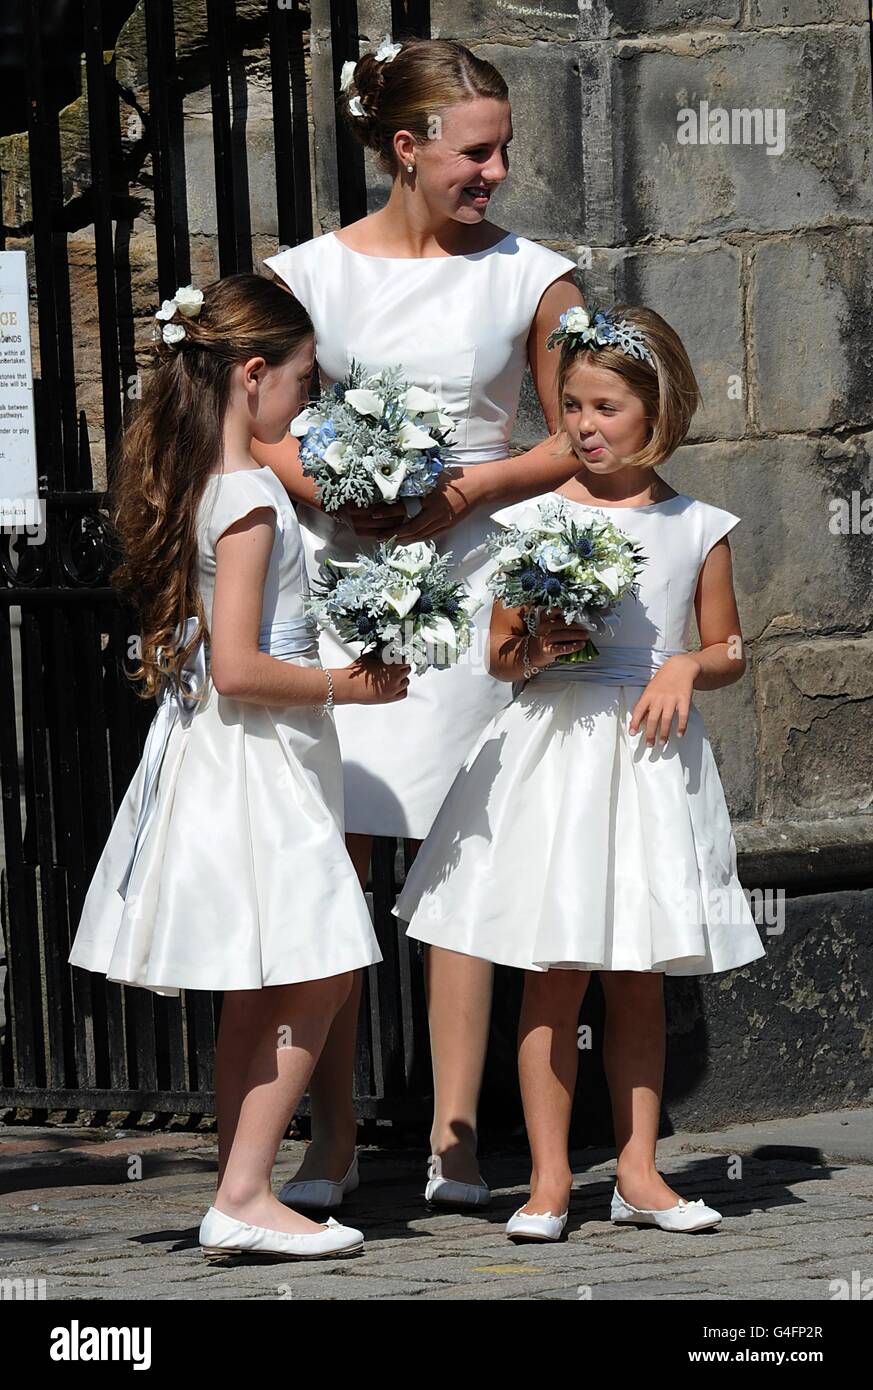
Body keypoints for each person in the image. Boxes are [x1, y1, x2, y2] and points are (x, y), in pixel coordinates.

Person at [254, 34, 588, 1206]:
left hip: (477, 590)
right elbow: (257, 424)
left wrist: (465, 490)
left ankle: (456, 1139)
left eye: (503, 151)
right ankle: (333, 1138)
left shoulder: (536, 277)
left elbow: (583, 431)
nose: (496, 173)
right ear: (406, 147)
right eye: (476, 151)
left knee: (467, 865)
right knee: (334, 865)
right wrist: (336, 491)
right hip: (346, 588)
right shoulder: (305, 277)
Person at [393, 303, 766, 1240]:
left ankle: (639, 1169)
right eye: (570, 408)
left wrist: (685, 663)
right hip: (552, 758)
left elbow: (726, 646)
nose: (585, 427)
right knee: (553, 969)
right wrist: (536, 648)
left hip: (645, 760)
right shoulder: (531, 521)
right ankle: (551, 1178)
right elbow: (498, 655)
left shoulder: (696, 525)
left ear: (659, 409)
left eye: (605, 407)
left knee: (637, 972)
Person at [68, 273, 409, 1260]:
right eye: (303, 380)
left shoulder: (201, 481)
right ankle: (249, 1186)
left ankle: (240, 1187)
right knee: (324, 963)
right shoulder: (253, 497)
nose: (307, 400)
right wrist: (352, 686)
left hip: (228, 752)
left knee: (260, 981)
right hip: (257, 758)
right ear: (252, 374)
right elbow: (241, 666)